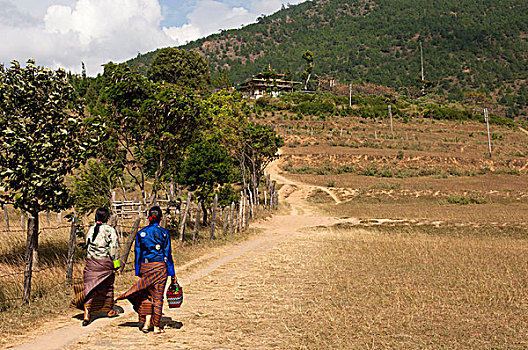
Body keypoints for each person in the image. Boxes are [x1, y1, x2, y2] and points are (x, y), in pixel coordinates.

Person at [117, 206, 176, 334]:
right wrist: (172, 273)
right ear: (161, 218)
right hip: (160, 268)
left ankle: (146, 323)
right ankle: (156, 327)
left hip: (146, 267)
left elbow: (137, 253)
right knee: (158, 298)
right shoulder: (164, 233)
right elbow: (167, 254)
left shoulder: (141, 233)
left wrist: (138, 270)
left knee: (146, 296)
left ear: (149, 217)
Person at [71, 207, 120, 326]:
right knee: (108, 286)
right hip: (104, 263)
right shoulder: (110, 230)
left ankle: (87, 314)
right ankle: (109, 310)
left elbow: (87, 246)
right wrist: (116, 264)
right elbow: (113, 249)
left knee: (90, 287)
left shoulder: (91, 229)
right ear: (107, 219)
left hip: (91, 263)